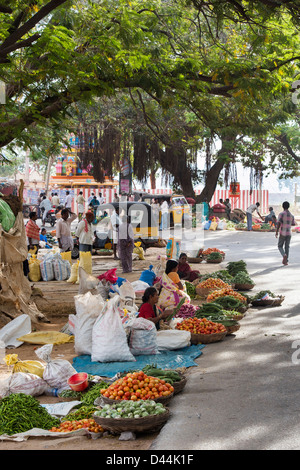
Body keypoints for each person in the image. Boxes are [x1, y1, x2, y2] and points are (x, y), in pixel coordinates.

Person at [275, 201, 295, 266]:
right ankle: (286, 261)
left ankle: (284, 255)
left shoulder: (281, 214)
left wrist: (276, 232)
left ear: (283, 206)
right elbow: (293, 223)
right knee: (287, 247)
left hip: (282, 232)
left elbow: (278, 223)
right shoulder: (292, 215)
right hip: (289, 233)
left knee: (280, 246)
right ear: (288, 206)